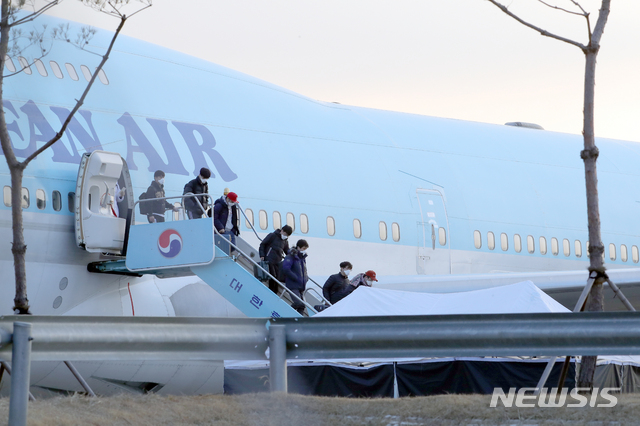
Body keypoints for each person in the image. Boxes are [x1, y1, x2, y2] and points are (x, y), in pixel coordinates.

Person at [259, 225, 292, 294]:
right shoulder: (272, 235)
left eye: (287, 235)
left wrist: (292, 255)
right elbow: (262, 244)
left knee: (277, 278)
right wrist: (262, 255)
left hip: (278, 261)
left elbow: (287, 251)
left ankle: (274, 293)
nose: (285, 236)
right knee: (272, 276)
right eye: (285, 234)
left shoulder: (285, 241)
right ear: (282, 231)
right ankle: (271, 292)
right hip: (269, 259)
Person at [281, 239, 309, 314]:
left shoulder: (302, 258)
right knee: (298, 303)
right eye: (303, 249)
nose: (304, 250)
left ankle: (299, 320)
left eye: (305, 249)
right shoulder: (291, 256)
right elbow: (286, 269)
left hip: (301, 286)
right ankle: (286, 314)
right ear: (298, 247)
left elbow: (304, 270)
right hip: (293, 285)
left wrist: (306, 278)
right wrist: (295, 277)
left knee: (302, 306)